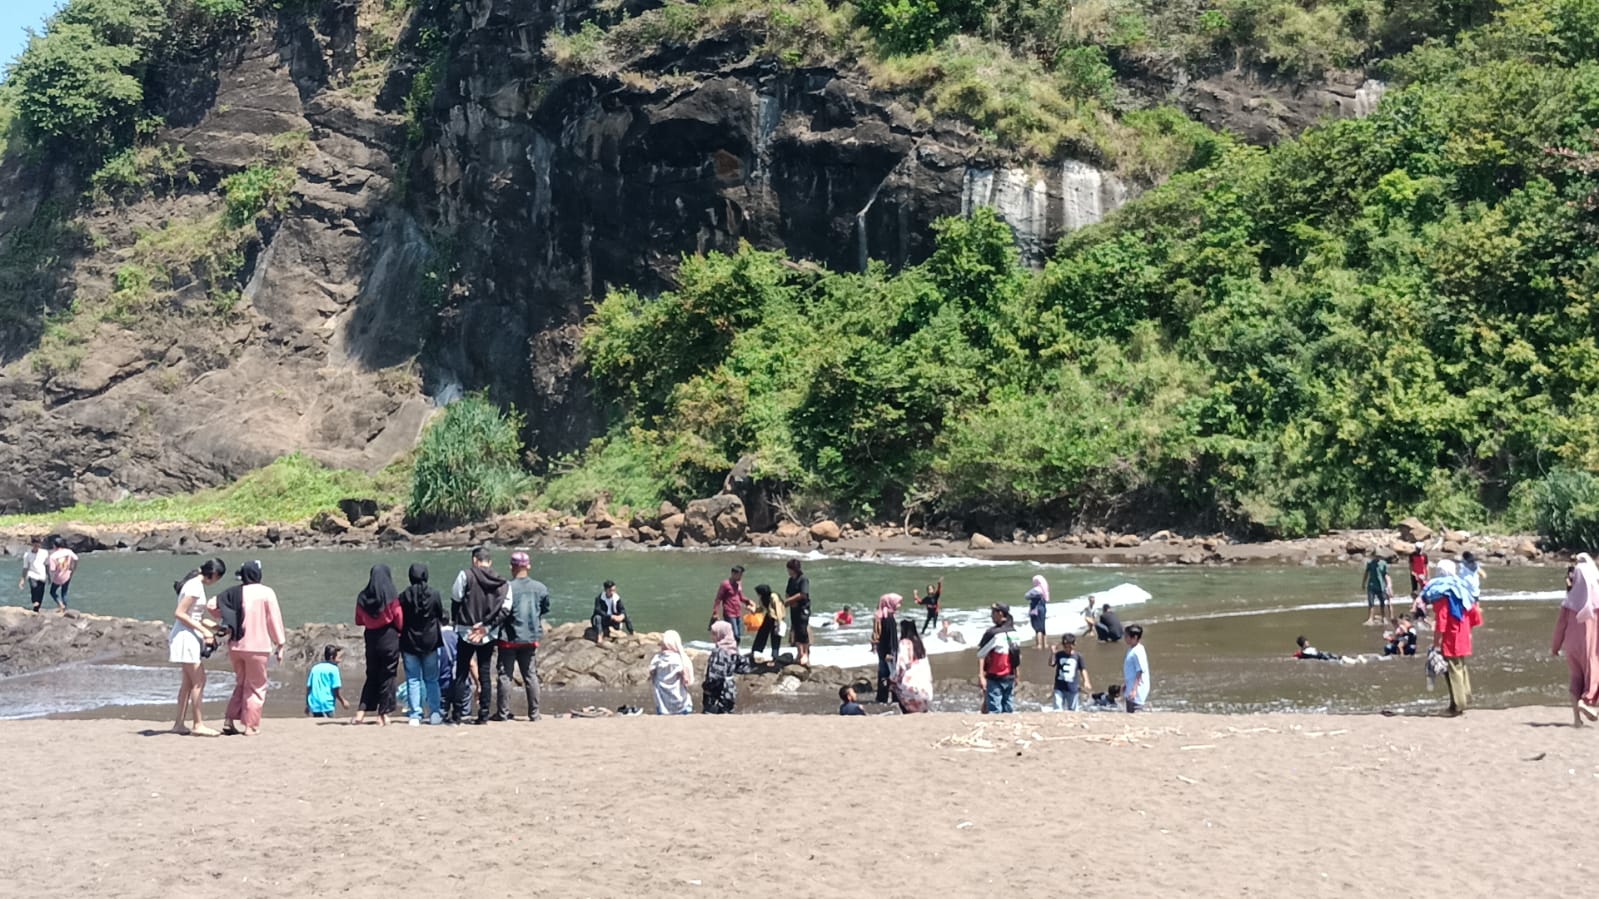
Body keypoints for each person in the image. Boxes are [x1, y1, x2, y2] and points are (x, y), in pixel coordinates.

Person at [212, 561, 284, 736]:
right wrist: (280, 643)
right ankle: (250, 725)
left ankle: (229, 720)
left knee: (241, 683)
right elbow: (273, 619)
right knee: (257, 686)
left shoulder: (235, 591)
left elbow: (211, 604)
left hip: (236, 645)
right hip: (258, 647)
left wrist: (228, 617)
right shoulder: (266, 592)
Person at [169, 558, 226, 737]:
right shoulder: (194, 587)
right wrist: (205, 632)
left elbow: (196, 616)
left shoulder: (195, 585)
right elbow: (180, 613)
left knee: (188, 683)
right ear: (214, 574)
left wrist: (216, 628)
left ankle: (179, 723)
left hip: (188, 636)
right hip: (186, 637)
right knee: (199, 680)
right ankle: (198, 724)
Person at [450, 547, 507, 725]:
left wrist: (458, 622)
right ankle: (483, 715)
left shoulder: (465, 575)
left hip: (466, 630)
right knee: (484, 673)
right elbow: (505, 609)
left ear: (475, 560)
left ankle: (457, 714)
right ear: (489, 562)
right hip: (488, 634)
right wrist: (487, 626)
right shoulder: (502, 582)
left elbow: (456, 599)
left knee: (461, 672)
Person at [1421, 559, 1482, 716]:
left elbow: (1442, 621)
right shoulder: (1462, 588)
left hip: (1451, 635)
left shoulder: (1443, 593)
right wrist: (1469, 629)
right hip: (1463, 632)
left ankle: (1457, 705)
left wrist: (1436, 642)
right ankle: (1465, 697)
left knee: (1452, 669)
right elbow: (1474, 612)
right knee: (1461, 666)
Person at [495, 551, 549, 722]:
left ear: (512, 567)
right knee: (530, 676)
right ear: (528, 566)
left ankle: (503, 713)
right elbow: (545, 608)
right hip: (530, 637)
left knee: (505, 676)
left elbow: (500, 611)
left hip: (509, 639)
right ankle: (534, 713)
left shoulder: (506, 588)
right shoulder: (540, 588)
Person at [352, 564, 404, 727]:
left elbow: (358, 620)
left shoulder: (362, 597)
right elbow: (398, 617)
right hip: (389, 636)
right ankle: (384, 714)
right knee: (388, 675)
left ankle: (361, 712)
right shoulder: (391, 596)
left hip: (371, 637)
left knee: (372, 674)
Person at [1553, 552, 1599, 727]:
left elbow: (1560, 626)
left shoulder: (1569, 600)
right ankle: (1585, 702)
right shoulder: (1597, 600)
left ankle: (1576, 720)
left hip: (1571, 646)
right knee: (1594, 674)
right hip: (1590, 645)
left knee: (1575, 677)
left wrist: (1555, 646)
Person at [398, 563, 445, 726]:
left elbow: (399, 617)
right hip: (430, 641)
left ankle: (415, 714)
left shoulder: (403, 596)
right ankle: (434, 713)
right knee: (432, 679)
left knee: (413, 679)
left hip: (409, 641)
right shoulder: (434, 594)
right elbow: (440, 614)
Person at [976, 603, 1020, 714]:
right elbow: (1017, 656)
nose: (991, 616)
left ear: (1000, 613)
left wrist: (981, 675)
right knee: (1007, 707)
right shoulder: (1014, 632)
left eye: (993, 613)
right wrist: (1017, 674)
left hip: (997, 676)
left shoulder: (994, 634)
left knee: (997, 709)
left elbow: (981, 654)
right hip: (1008, 676)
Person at [702, 620, 751, 714]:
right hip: (730, 689)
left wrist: (707, 687)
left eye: (714, 634)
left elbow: (715, 677)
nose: (711, 637)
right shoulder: (733, 649)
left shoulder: (719, 652)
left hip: (718, 692)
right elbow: (745, 667)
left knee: (712, 713)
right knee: (727, 712)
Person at [891, 619, 933, 713]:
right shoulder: (919, 643)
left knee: (893, 685)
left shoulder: (904, 643)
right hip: (927, 691)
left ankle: (904, 711)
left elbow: (901, 666)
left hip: (912, 691)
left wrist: (893, 679)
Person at [649, 629, 694, 715]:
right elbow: (689, 681)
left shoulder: (657, 658)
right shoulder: (680, 659)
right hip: (680, 701)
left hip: (662, 702)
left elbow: (651, 673)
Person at [710, 565, 751, 648]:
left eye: (741, 575)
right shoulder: (725, 584)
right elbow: (718, 599)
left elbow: (740, 596)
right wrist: (715, 612)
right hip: (729, 612)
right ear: (733, 574)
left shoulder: (738, 584)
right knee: (734, 634)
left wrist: (748, 601)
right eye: (739, 575)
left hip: (738, 612)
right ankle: (729, 649)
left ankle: (735, 650)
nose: (741, 577)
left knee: (739, 634)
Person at [872, 592, 902, 703]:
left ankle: (882, 697)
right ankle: (895, 698)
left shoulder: (880, 615)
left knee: (883, 673)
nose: (899, 605)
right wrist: (890, 651)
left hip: (882, 649)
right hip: (889, 650)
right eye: (897, 603)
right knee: (892, 674)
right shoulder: (888, 617)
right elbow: (890, 636)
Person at [306, 645, 350, 718]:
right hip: (327, 702)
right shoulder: (334, 669)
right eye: (339, 657)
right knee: (330, 721)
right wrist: (343, 701)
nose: (341, 660)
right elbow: (336, 690)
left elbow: (308, 688)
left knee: (318, 722)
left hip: (314, 702)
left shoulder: (315, 668)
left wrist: (307, 705)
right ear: (332, 657)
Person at [1052, 632, 1091, 711]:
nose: (1068, 649)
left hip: (1072, 687)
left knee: (1073, 709)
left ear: (1074, 645)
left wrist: (1086, 681)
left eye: (1070, 647)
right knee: (1057, 707)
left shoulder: (1078, 656)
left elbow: (1083, 669)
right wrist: (1052, 653)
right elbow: (1051, 664)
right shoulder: (1059, 655)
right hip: (1059, 686)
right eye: (1066, 647)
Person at [784, 559, 812, 665]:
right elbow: (787, 592)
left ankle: (805, 654)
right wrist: (789, 601)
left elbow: (803, 594)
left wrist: (789, 600)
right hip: (793, 608)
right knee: (795, 629)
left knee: (802, 630)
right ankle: (799, 653)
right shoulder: (791, 580)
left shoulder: (803, 579)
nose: (788, 571)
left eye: (789, 569)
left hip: (802, 608)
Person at [749, 583, 784, 664]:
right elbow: (761, 609)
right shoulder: (763, 598)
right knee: (761, 634)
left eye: (758, 593)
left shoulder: (773, 597)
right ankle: (755, 651)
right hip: (768, 616)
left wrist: (779, 622)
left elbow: (778, 610)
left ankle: (775, 656)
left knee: (775, 638)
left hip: (776, 618)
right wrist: (752, 610)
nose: (758, 595)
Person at [590, 580, 633, 644]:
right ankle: (600, 635)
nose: (612, 592)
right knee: (597, 617)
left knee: (627, 617)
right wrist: (610, 616)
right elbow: (597, 610)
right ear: (605, 590)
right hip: (604, 619)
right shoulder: (599, 598)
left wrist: (622, 615)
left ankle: (632, 632)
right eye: (610, 590)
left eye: (614, 590)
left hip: (613, 618)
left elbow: (622, 609)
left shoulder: (616, 597)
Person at [1122, 624, 1150, 713]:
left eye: (1126, 636)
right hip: (1131, 685)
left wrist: (1134, 690)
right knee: (1130, 711)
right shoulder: (1132, 649)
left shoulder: (1138, 652)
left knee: (1135, 712)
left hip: (1137, 689)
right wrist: (1126, 684)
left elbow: (1139, 671)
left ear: (1134, 637)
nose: (1125, 638)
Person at [45, 537, 77, 611]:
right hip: (68, 574)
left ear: (55, 546)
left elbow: (52, 569)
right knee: (64, 592)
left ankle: (60, 604)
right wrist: (73, 569)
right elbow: (76, 559)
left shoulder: (53, 556)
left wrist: (50, 577)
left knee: (52, 592)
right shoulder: (68, 551)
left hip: (59, 576)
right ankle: (65, 608)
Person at [17, 536, 47, 612]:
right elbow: (25, 567)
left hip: (42, 575)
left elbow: (47, 564)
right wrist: (22, 579)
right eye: (35, 545)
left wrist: (49, 576)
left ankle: (36, 609)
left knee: (41, 593)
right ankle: (34, 601)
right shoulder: (27, 554)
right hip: (32, 574)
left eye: (38, 545)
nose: (36, 547)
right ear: (32, 545)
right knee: (34, 587)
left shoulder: (44, 553)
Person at [1363, 552, 1392, 625]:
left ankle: (1383, 617)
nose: (1377, 557)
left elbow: (1386, 574)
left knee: (1382, 603)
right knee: (1371, 603)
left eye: (1379, 556)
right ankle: (1370, 618)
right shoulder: (1370, 563)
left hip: (1381, 586)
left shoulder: (1383, 563)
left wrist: (1389, 585)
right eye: (1376, 556)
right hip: (1371, 585)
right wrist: (1363, 583)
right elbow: (1366, 573)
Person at [1025, 574, 1050, 649]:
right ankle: (1045, 644)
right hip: (1043, 609)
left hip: (1036, 610)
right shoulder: (1044, 590)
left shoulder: (1036, 590)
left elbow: (1026, 596)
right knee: (1043, 627)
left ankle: (1038, 644)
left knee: (1037, 628)